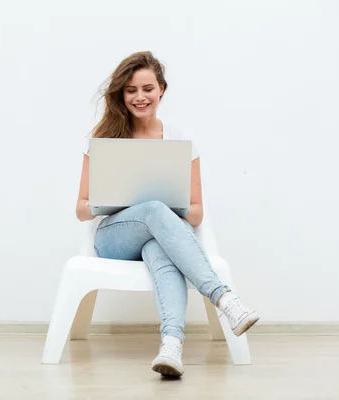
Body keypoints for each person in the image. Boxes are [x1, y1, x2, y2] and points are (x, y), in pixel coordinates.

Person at [75, 51, 259, 377]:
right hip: (114, 238)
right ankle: (225, 299)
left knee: (160, 247)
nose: (140, 97)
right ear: (121, 94)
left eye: (147, 88)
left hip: (160, 234)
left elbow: (198, 212)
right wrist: (117, 199)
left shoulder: (181, 142)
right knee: (154, 211)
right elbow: (81, 209)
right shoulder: (103, 138)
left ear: (161, 89)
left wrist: (170, 210)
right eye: (131, 90)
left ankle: (171, 346)